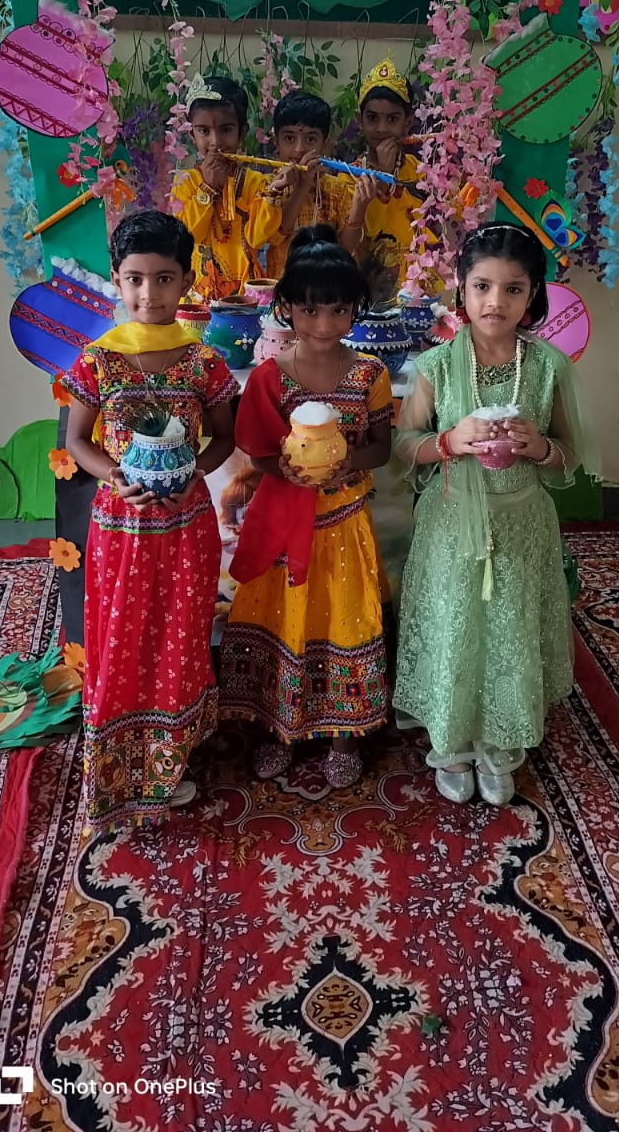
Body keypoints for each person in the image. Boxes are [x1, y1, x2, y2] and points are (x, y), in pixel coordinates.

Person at [393, 223, 600, 806]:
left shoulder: (548, 367)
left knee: (509, 628)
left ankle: (500, 741)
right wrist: (449, 441)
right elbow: (404, 447)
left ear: (533, 295)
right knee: (456, 625)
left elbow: (570, 455)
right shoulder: (436, 365)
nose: (495, 302)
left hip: (521, 522)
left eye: (513, 288)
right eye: (482, 286)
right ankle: (452, 741)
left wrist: (539, 447)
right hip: (452, 522)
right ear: (460, 288)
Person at [64, 210, 238, 831]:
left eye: (164, 279)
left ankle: (170, 757)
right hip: (121, 526)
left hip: (186, 525)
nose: (148, 293)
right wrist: (116, 477)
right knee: (122, 636)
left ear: (186, 281)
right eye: (135, 279)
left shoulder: (202, 362)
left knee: (179, 634)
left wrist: (196, 473)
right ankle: (120, 766)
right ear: (116, 278)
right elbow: (78, 441)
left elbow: (224, 436)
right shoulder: (97, 361)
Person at [218, 226, 393, 788]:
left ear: (356, 310)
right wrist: (283, 470)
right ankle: (280, 729)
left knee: (345, 620)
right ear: (287, 308)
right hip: (283, 525)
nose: (324, 324)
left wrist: (351, 461)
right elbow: (259, 450)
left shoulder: (369, 374)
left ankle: (344, 734)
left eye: (339, 310)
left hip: (345, 525)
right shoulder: (270, 377)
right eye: (310, 310)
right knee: (283, 622)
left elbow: (382, 447)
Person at [171, 74, 282, 299]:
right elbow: (188, 238)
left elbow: (257, 238)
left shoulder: (256, 183)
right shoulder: (185, 182)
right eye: (204, 131)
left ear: (242, 132)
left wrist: (273, 194)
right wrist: (208, 187)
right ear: (192, 135)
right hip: (196, 297)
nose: (216, 142)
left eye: (226, 129)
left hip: (246, 296)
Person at [264, 89, 378, 280]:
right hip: (283, 287)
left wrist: (359, 208)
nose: (299, 149)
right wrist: (302, 187)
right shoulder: (270, 186)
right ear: (277, 143)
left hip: (328, 288)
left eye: (310, 139)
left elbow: (345, 249)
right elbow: (275, 236)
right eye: (289, 138)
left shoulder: (337, 189)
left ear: (325, 144)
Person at [356, 57, 435, 291]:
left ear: (408, 123)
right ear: (359, 121)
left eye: (392, 119)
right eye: (372, 118)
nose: (381, 128)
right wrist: (383, 174)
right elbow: (360, 233)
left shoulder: (422, 173)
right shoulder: (347, 176)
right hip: (366, 290)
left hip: (418, 290)